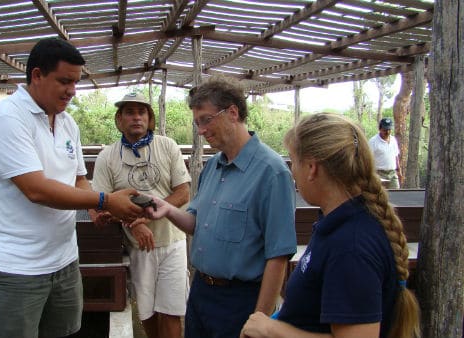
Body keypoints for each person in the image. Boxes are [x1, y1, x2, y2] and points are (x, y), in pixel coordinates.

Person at [0, 37, 143, 338]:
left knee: (65, 332)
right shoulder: (7, 119)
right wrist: (105, 199)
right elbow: (36, 189)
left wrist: (94, 209)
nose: (72, 91)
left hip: (64, 258)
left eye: (75, 82)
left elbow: (78, 178)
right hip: (17, 266)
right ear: (37, 75)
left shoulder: (67, 123)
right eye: (64, 81)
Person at [240, 113, 420, 338]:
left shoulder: (352, 246)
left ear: (312, 168)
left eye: (294, 161)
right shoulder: (336, 222)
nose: (292, 171)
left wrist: (271, 329)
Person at [144, 76, 297, 338]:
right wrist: (168, 210)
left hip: (240, 301)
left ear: (233, 113)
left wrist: (259, 320)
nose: (201, 130)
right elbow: (196, 223)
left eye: (206, 119)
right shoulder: (212, 167)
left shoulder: (272, 173)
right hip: (201, 292)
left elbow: (278, 256)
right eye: (197, 123)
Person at [90, 92, 191, 338]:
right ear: (119, 119)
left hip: (172, 241)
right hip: (138, 247)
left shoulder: (167, 146)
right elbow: (100, 203)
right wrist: (131, 223)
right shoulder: (108, 156)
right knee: (148, 313)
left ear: (150, 118)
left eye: (141, 112)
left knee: (171, 311)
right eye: (129, 112)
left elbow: (183, 192)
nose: (136, 117)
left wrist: (149, 216)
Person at [369, 117, 402, 188]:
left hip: (392, 173)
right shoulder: (373, 141)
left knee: (397, 194)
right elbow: (368, 159)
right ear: (380, 129)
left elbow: (396, 156)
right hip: (379, 173)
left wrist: (399, 170)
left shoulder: (393, 140)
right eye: (385, 130)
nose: (387, 132)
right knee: (380, 195)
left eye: (389, 130)